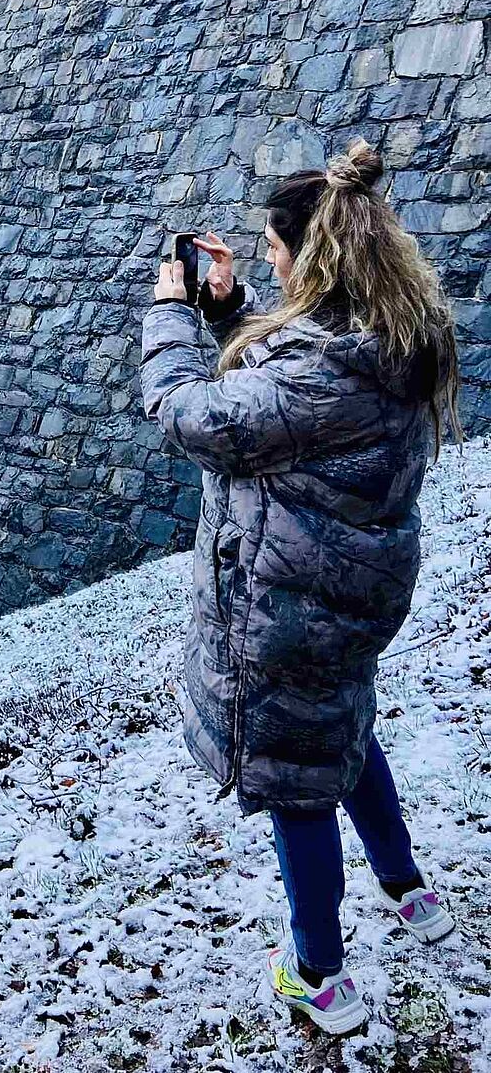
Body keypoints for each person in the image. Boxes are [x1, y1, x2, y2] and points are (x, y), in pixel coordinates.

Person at [140, 137, 463, 1036]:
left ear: (313, 257)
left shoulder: (321, 376)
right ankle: (408, 889)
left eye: (275, 253)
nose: (269, 264)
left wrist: (170, 318)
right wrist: (232, 308)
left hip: (291, 606)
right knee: (346, 731)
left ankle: (319, 973)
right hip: (349, 596)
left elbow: (193, 417)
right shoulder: (395, 335)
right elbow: (290, 382)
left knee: (298, 782)